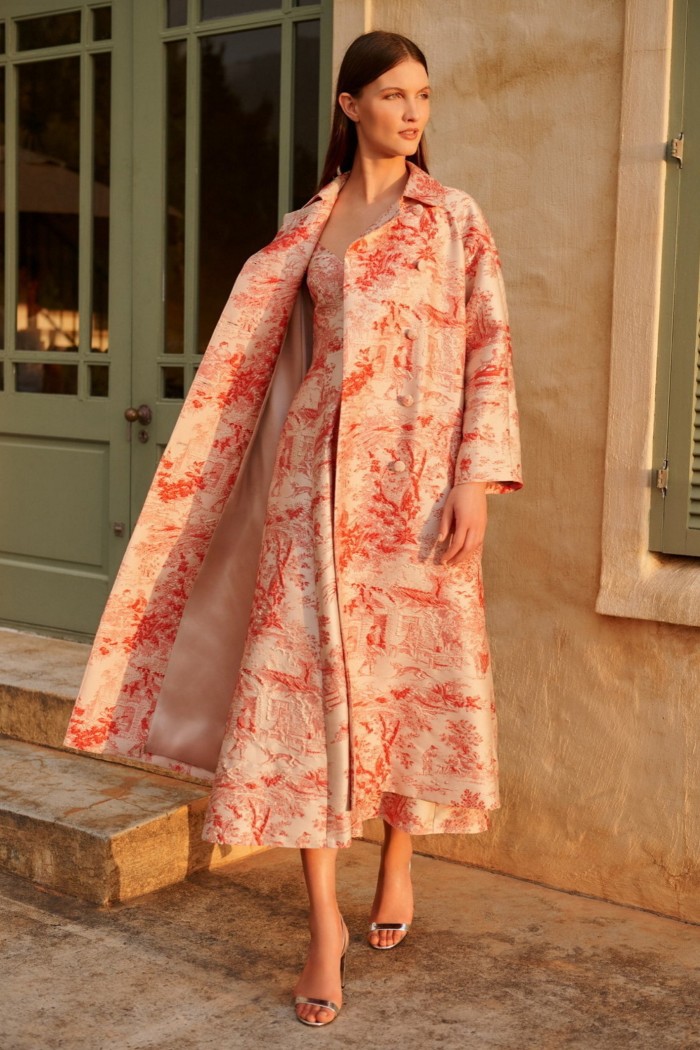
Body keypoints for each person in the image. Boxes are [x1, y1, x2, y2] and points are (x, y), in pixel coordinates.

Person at [63, 29, 522, 1030]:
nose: (413, 113)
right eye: (393, 95)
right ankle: (321, 920)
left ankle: (398, 857)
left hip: (415, 496)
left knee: (409, 681)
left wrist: (476, 482)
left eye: (424, 98)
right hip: (308, 496)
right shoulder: (304, 228)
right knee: (299, 696)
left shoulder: (454, 221)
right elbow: (270, 363)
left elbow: (488, 352)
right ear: (349, 106)